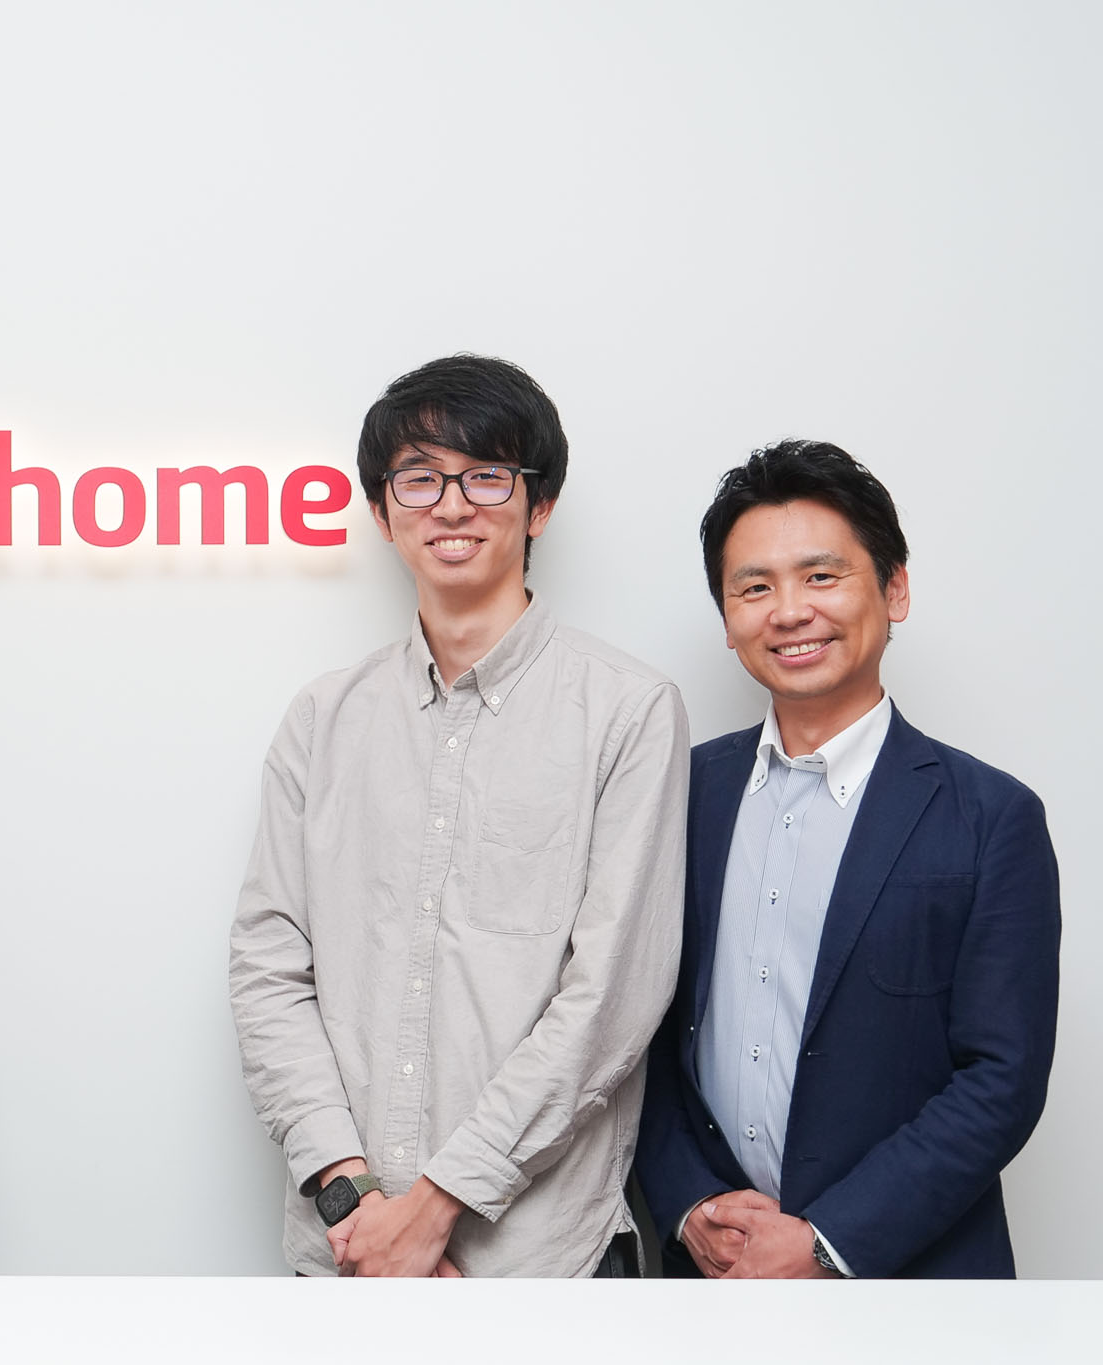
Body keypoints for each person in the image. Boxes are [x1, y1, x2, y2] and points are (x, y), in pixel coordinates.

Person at [228, 355, 688, 1277]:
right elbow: (268, 967)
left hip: (540, 1261)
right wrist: (354, 1197)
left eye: (485, 476)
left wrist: (437, 1206)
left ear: (539, 504)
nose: (450, 506)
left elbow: (609, 1000)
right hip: (346, 1252)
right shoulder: (322, 719)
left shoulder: (629, 711)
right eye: (419, 478)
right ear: (381, 511)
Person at [636, 441, 1059, 1279]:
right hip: (711, 1275)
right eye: (755, 587)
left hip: (917, 1283)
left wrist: (827, 1242)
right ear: (727, 618)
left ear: (894, 589)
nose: (790, 611)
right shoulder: (677, 791)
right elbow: (634, 1032)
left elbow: (1002, 1078)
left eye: (822, 576)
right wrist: (688, 1203)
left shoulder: (992, 816)